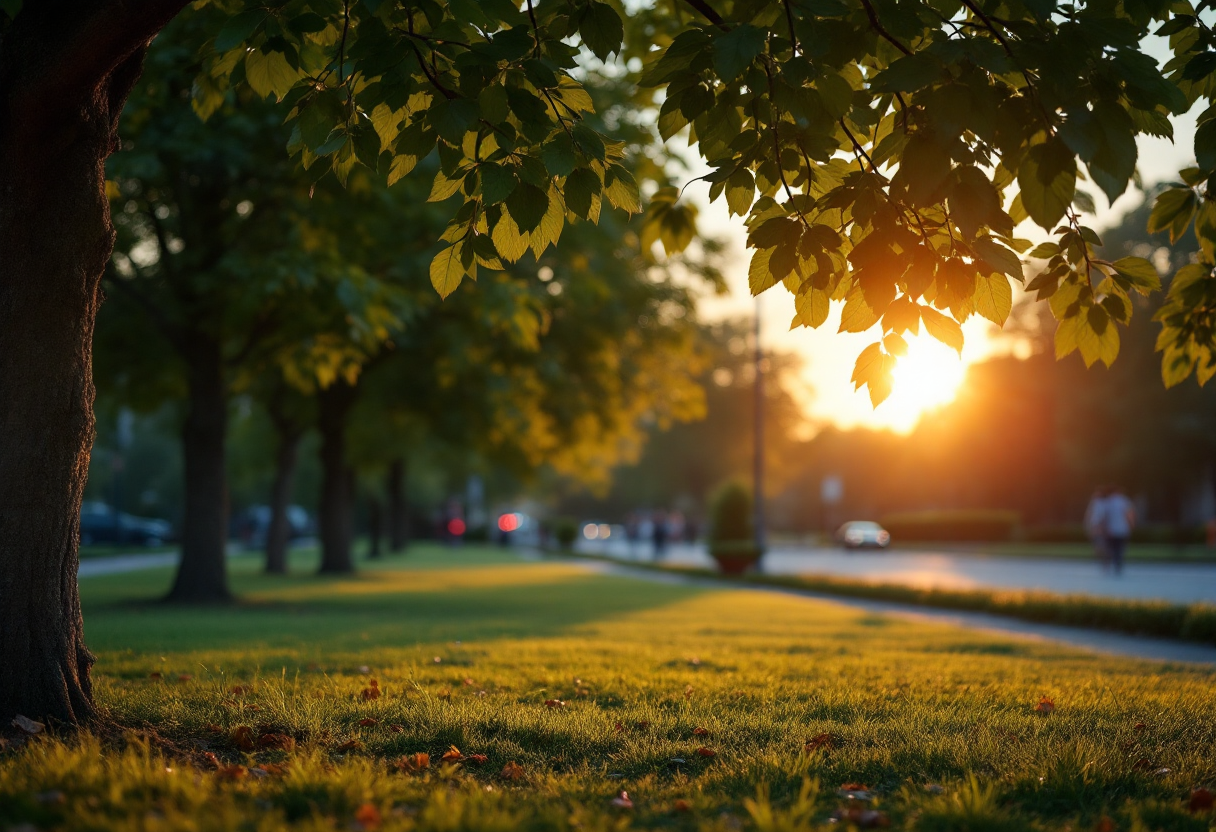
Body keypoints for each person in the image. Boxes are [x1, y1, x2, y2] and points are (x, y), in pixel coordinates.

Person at [1102, 486, 1136, 575]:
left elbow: (1105, 517)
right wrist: (1132, 525)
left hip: (1111, 530)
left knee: (1111, 548)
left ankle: (1109, 565)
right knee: (1120, 548)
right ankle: (1118, 566)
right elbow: (1129, 514)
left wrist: (1105, 528)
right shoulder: (1124, 501)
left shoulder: (1108, 502)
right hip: (1122, 529)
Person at [1084, 486, 1111, 569]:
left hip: (1099, 528)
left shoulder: (1100, 503)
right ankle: (1105, 561)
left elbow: (1101, 517)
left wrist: (1097, 528)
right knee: (1099, 546)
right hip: (1097, 527)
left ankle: (1106, 561)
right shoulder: (1096, 503)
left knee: (1101, 546)